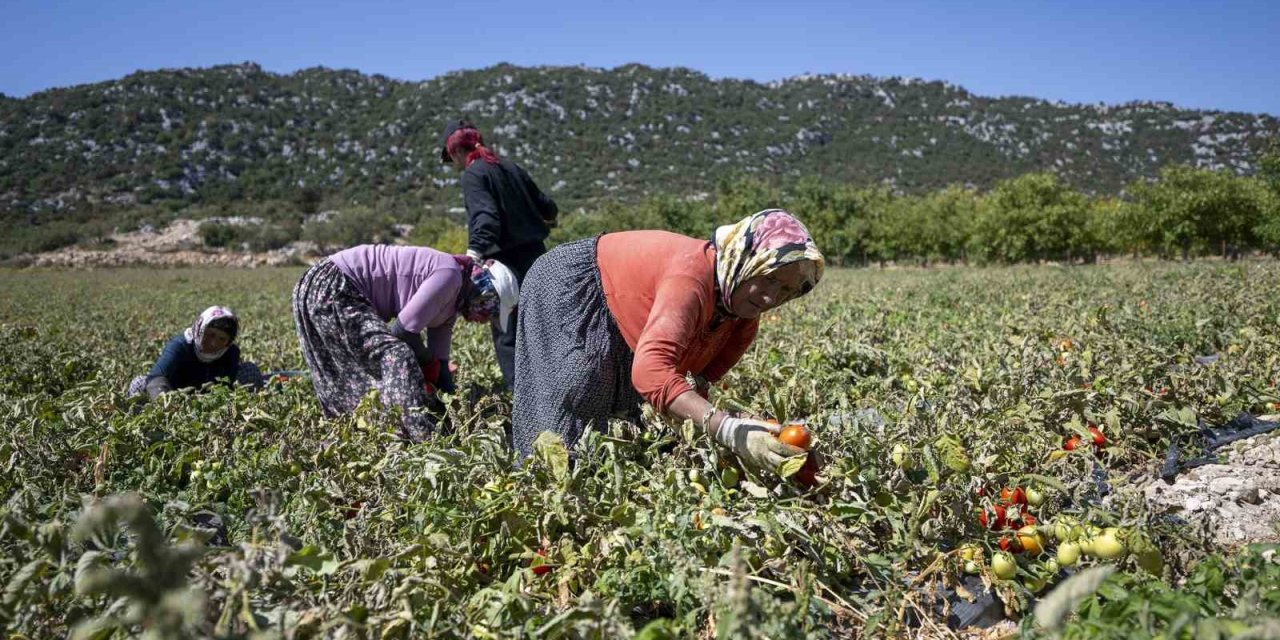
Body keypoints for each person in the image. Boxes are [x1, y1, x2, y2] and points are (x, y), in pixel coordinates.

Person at [512, 209, 825, 477]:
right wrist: (729, 431)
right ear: (747, 260)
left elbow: (694, 384)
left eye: (786, 291)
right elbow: (651, 373)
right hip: (575, 283)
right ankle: (540, 490)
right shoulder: (691, 279)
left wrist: (742, 430)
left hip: (625, 308)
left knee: (627, 417)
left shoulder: (742, 314)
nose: (772, 297)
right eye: (768, 279)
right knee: (577, 390)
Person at [292, 244, 518, 442]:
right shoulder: (449, 275)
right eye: (491, 311)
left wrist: (453, 408)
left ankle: (372, 431)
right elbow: (402, 333)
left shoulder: (450, 308)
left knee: (367, 368)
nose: (484, 320)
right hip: (333, 283)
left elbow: (441, 364)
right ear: (486, 292)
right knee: (397, 355)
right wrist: (428, 363)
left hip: (330, 285)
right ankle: (422, 437)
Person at [440, 119, 558, 390]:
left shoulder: (473, 175)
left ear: (457, 152)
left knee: (508, 337)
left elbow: (486, 218)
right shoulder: (511, 168)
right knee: (542, 331)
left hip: (506, 268)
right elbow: (548, 207)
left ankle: (524, 404)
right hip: (539, 260)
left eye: (452, 158)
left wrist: (473, 257)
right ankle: (555, 391)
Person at [127, 306, 262, 400]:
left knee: (249, 371)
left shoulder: (230, 353)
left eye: (222, 339)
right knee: (140, 384)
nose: (214, 343)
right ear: (200, 329)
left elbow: (228, 386)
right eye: (210, 335)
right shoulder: (180, 346)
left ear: (228, 342)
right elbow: (156, 377)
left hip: (213, 405)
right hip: (175, 400)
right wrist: (166, 404)